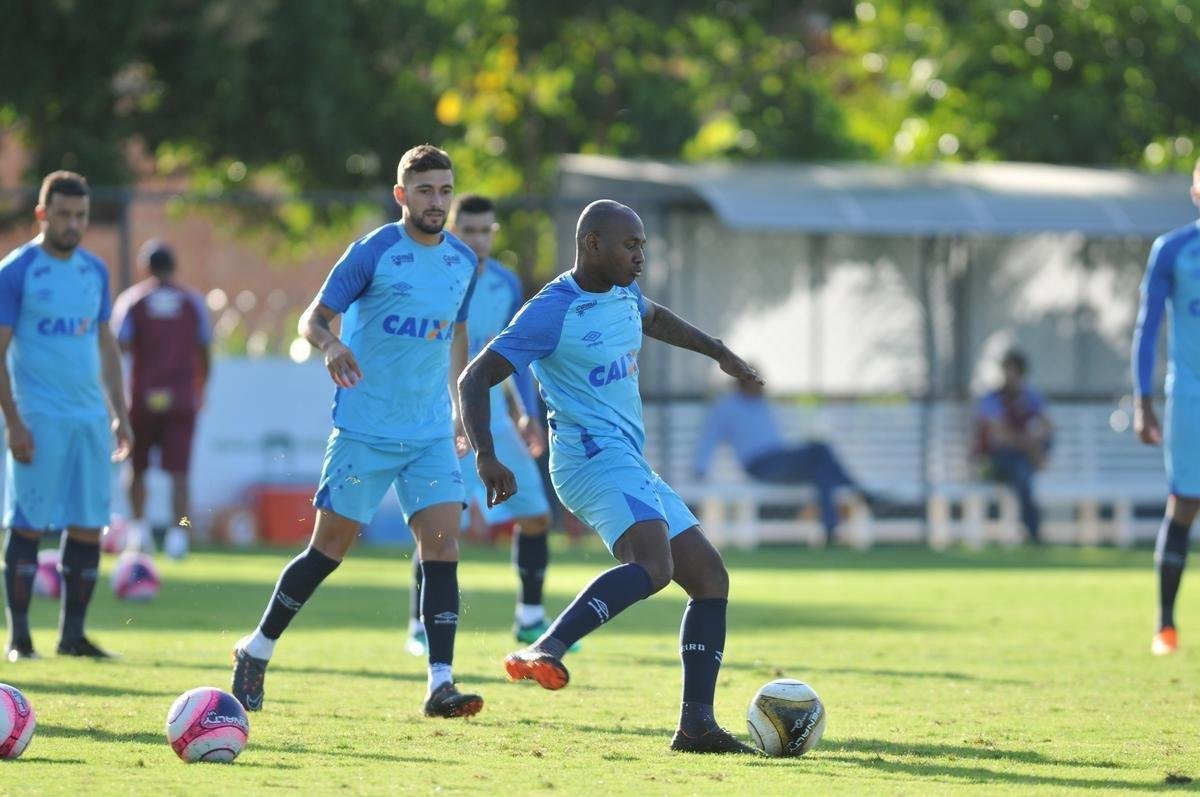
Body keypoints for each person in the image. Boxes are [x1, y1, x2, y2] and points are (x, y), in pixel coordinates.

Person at [459, 199, 762, 754]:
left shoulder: (623, 292)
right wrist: (486, 454)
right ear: (592, 244)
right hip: (586, 458)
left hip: (627, 459)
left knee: (710, 578)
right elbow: (474, 378)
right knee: (653, 566)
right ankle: (546, 647)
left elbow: (653, 318)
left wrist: (718, 351)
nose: (640, 256)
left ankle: (696, 727)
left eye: (643, 245)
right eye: (631, 245)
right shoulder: (552, 310)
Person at [230, 144, 484, 718]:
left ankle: (440, 682)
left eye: (445, 190)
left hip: (427, 435)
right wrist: (332, 342)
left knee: (443, 547)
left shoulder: (463, 262)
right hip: (365, 429)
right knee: (329, 550)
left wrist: (459, 410)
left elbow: (457, 339)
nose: (436, 201)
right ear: (402, 195)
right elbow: (312, 318)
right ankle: (257, 648)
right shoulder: (373, 251)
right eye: (425, 191)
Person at [405, 194, 560, 658]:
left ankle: (530, 616)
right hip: (438, 419)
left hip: (492, 422)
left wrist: (525, 413)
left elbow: (513, 353)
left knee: (535, 516)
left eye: (485, 231)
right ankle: (418, 622)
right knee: (438, 526)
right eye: (468, 231)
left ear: (494, 234)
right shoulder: (430, 279)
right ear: (451, 230)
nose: (477, 239)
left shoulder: (507, 284)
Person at [0, 170, 133, 662]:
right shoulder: (16, 272)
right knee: (28, 523)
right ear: (42, 214)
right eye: (64, 214)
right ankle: (19, 640)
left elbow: (106, 344)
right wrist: (13, 421)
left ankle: (73, 637)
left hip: (89, 418)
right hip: (38, 418)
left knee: (86, 523)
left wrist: (120, 413)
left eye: (81, 215)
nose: (73, 223)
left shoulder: (94, 271)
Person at [1132, 156, 1200, 657]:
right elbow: (1147, 327)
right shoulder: (1174, 250)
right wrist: (1143, 400)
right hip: (1190, 399)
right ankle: (1166, 627)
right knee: (1185, 504)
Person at [111, 240, 211, 559]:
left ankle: (139, 532)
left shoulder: (133, 301)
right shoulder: (192, 301)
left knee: (136, 468)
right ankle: (179, 534)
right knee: (179, 474)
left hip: (142, 397)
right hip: (181, 398)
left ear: (146, 267)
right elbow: (205, 350)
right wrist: (201, 389)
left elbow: (118, 347)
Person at [693, 376, 872, 544]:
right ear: (742, 381)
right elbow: (710, 437)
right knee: (820, 449)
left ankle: (831, 531)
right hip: (761, 465)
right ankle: (858, 491)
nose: (760, 384)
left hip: (781, 459)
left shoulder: (763, 404)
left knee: (822, 469)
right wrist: (700, 468)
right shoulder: (727, 407)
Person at [973, 349, 1052, 544]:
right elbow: (1000, 437)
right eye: (1005, 370)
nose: (1008, 376)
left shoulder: (1031, 398)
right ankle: (1033, 532)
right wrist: (1033, 449)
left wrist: (1033, 445)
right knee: (1021, 471)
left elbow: (1047, 427)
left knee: (1023, 471)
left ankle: (1031, 531)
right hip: (994, 462)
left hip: (1024, 460)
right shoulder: (992, 399)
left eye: (1013, 371)